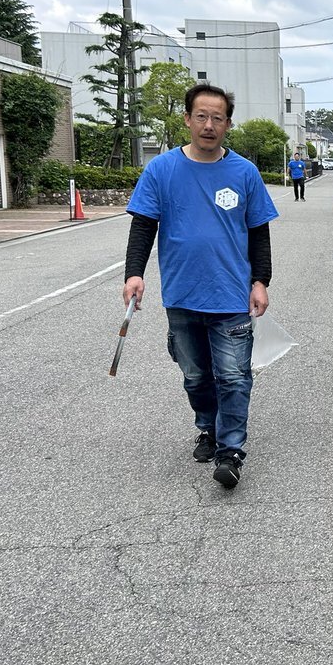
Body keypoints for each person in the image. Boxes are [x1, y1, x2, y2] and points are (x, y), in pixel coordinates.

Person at [122, 83, 279, 490]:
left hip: (231, 294)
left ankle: (231, 452)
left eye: (218, 118)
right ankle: (208, 427)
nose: (209, 125)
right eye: (202, 117)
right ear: (188, 120)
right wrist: (134, 273)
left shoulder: (244, 173)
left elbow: (258, 233)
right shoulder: (162, 169)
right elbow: (144, 226)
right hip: (181, 294)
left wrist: (260, 281)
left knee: (234, 377)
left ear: (228, 124)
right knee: (195, 376)